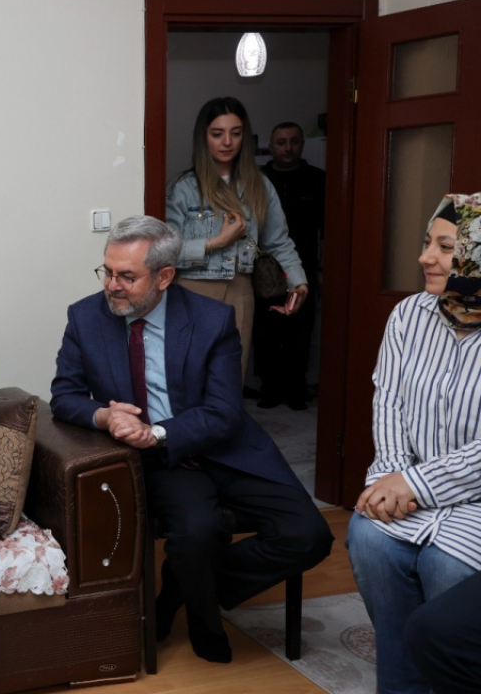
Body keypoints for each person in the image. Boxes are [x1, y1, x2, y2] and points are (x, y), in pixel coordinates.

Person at [50, 217, 332, 663]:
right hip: (163, 463)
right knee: (198, 531)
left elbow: (224, 411)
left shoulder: (211, 319)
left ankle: (179, 592)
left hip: (227, 448)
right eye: (108, 272)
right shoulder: (85, 317)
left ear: (164, 276)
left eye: (127, 276)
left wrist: (157, 432)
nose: (112, 286)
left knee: (310, 534)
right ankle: (204, 621)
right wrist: (104, 416)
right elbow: (64, 396)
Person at [350, 142, 481, 694]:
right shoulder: (409, 314)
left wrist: (416, 485)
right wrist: (389, 477)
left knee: (447, 563)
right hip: (406, 481)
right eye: (426, 243)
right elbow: (388, 401)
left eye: (446, 247)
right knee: (370, 539)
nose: (425, 258)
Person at [166, 97, 310, 377]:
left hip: (241, 289)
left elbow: (278, 241)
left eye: (236, 133)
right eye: (217, 133)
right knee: (189, 376)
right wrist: (216, 242)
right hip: (192, 289)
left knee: (231, 377)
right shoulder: (183, 188)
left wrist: (298, 281)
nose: (227, 142)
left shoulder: (260, 185)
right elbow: (166, 253)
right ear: (203, 137)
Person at [254, 122, 326, 410]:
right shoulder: (258, 180)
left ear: (302, 145)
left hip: (303, 267)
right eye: (281, 142)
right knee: (266, 330)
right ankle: (270, 389)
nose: (288, 147)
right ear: (271, 147)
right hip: (264, 270)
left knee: (300, 330)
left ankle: (296, 389)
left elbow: (328, 228)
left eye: (294, 141)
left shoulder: (317, 180)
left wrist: (321, 268)